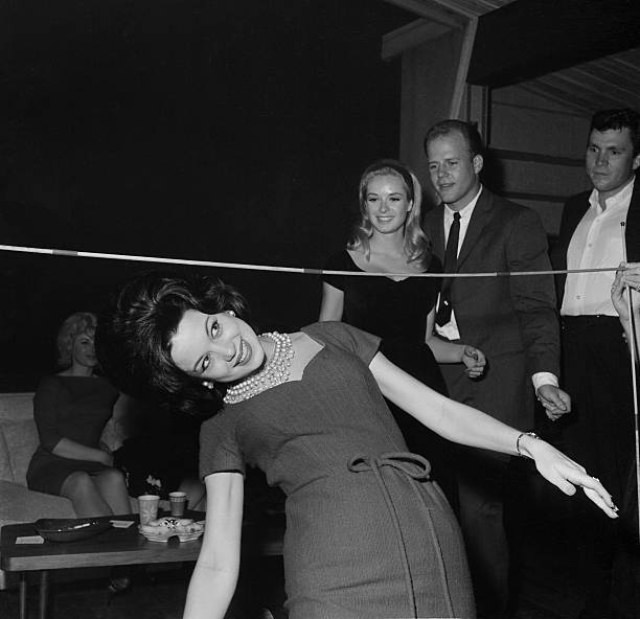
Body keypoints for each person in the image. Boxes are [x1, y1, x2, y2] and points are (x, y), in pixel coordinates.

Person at [95, 271, 617, 619]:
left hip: (430, 541)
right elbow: (216, 561)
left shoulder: (332, 337)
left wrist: (531, 446)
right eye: (205, 362)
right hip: (334, 572)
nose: (227, 348)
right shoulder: (222, 426)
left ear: (222, 308)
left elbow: (438, 411)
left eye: (213, 327)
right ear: (199, 382)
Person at [422, 119, 570, 617]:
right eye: (434, 165)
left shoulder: (516, 221)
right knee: (439, 507)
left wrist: (544, 379)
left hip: (497, 385)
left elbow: (536, 308)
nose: (442, 175)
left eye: (453, 163)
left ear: (478, 164)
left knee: (480, 510)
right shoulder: (417, 227)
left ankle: (487, 610)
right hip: (433, 382)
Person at [319, 159, 486, 504]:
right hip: (365, 396)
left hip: (419, 397)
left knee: (431, 498)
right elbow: (324, 339)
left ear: (410, 204)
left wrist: (462, 352)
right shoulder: (341, 263)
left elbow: (424, 342)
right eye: (374, 198)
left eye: (394, 199)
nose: (383, 208)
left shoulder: (429, 266)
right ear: (363, 204)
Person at [552, 109, 640, 616]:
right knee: (581, 475)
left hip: (620, 348)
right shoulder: (572, 208)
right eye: (593, 149)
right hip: (572, 349)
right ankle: (589, 592)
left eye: (614, 151)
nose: (600, 160)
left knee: (623, 476)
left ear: (636, 157)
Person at [26, 311, 133, 592]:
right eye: (84, 342)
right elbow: (50, 440)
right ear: (69, 345)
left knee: (113, 478)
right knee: (82, 480)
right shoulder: (52, 384)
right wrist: (99, 455)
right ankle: (112, 557)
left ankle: (129, 562)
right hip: (51, 464)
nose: (92, 350)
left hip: (88, 461)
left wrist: (103, 451)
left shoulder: (107, 388)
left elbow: (99, 428)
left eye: (97, 343)